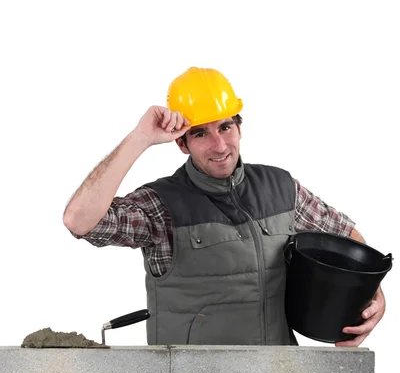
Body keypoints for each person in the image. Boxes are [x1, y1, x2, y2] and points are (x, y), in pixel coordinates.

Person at [63, 66, 385, 347]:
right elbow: (79, 220)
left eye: (225, 127)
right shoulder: (161, 207)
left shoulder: (281, 189)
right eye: (201, 133)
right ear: (181, 142)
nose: (219, 146)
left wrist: (372, 293)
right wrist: (140, 137)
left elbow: (344, 235)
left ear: (239, 127)